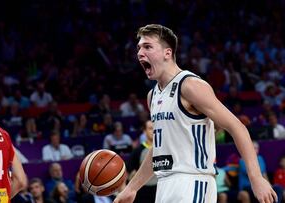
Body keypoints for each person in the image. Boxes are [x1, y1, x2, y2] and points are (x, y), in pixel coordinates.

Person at [113, 24, 277, 203]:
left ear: (167, 53)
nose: (139, 53)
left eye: (147, 47)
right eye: (139, 48)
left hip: (192, 182)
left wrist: (256, 178)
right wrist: (131, 188)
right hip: (164, 184)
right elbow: (160, 149)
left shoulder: (190, 85)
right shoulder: (153, 96)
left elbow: (236, 126)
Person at [126, 120, 156, 203]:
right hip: (143, 193)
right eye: (150, 128)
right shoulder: (137, 151)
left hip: (161, 190)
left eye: (155, 128)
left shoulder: (165, 149)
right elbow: (130, 173)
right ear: (144, 131)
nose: (153, 131)